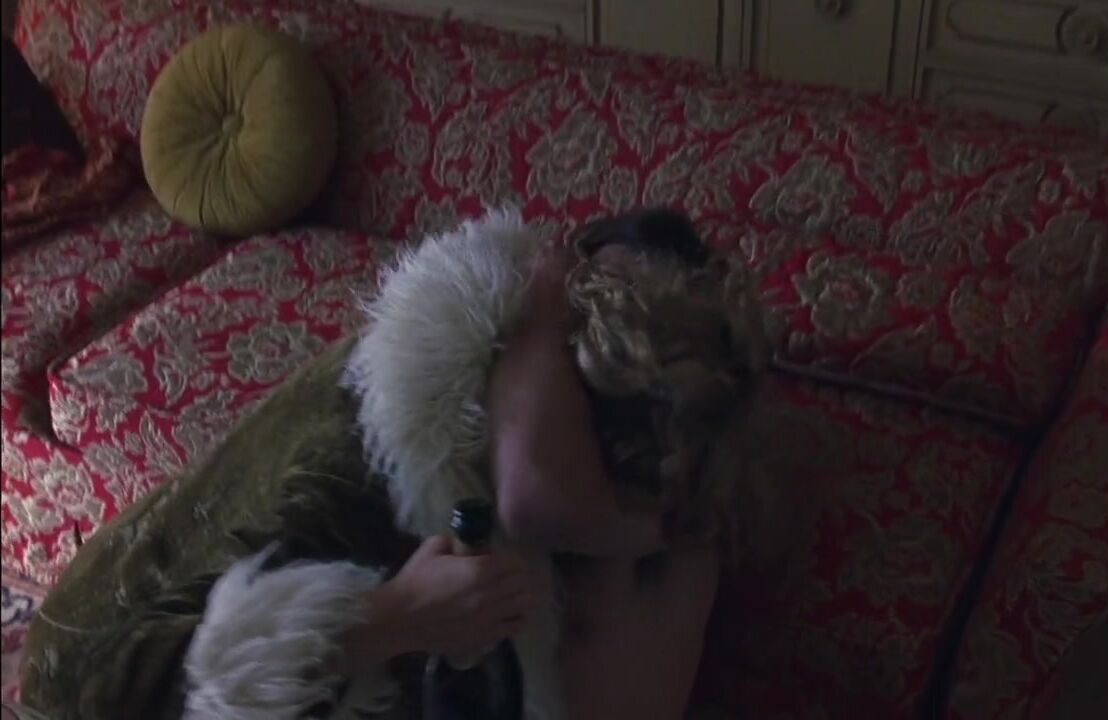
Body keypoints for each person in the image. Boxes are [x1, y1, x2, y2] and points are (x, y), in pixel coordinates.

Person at [19, 208, 771, 720]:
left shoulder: (652, 487)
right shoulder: (491, 362)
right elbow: (534, 499)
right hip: (109, 673)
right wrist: (389, 620)